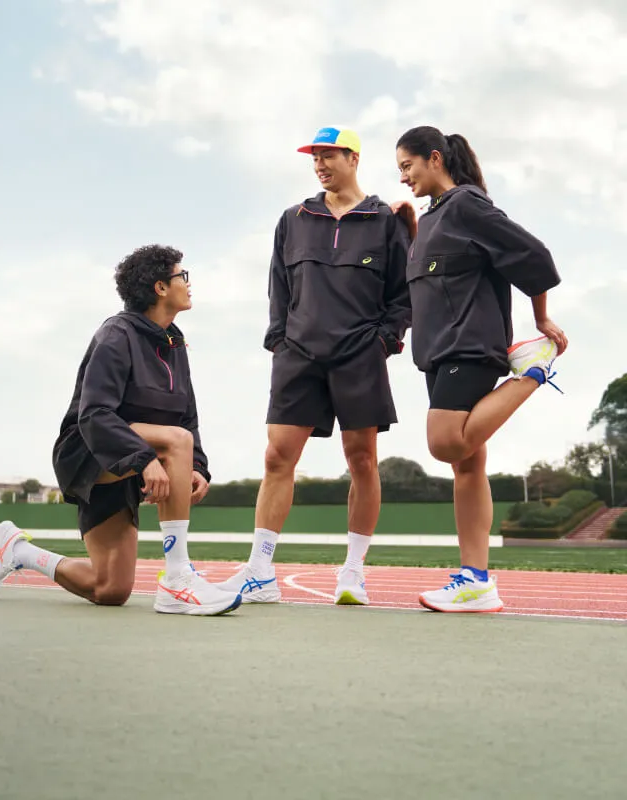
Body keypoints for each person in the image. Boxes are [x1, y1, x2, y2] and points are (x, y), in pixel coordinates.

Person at [0, 244, 242, 616]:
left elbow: (187, 418)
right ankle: (178, 579)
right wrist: (146, 458)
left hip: (132, 458)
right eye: (183, 276)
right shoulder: (116, 336)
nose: (188, 283)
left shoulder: (174, 344)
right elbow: (95, 413)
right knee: (175, 441)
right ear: (161, 287)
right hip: (88, 451)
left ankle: (18, 551)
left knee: (110, 589)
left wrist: (196, 466)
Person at [216, 126, 412, 606]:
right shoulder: (294, 218)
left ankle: (352, 571)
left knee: (361, 459)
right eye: (314, 158)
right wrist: (280, 342)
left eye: (329, 156)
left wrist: (384, 341)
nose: (320, 165)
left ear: (354, 158)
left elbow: (402, 294)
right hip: (298, 355)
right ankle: (260, 570)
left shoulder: (385, 220)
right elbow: (277, 288)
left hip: (359, 354)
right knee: (277, 457)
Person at [392, 125, 568, 613]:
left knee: (445, 441)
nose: (403, 177)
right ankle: (477, 579)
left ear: (434, 159)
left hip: (468, 344)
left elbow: (532, 255)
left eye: (407, 166)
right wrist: (411, 227)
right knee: (466, 464)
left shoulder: (468, 204)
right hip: (437, 350)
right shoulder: (432, 219)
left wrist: (540, 320)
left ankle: (532, 370)